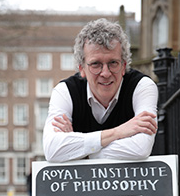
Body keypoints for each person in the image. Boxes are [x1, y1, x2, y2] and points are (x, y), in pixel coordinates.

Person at [43, 18, 158, 163]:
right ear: (81, 69)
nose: (105, 73)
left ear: (123, 66)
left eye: (113, 63)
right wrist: (119, 132)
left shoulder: (142, 86)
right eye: (95, 64)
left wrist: (79, 152)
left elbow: (141, 148)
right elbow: (52, 150)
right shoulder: (64, 91)